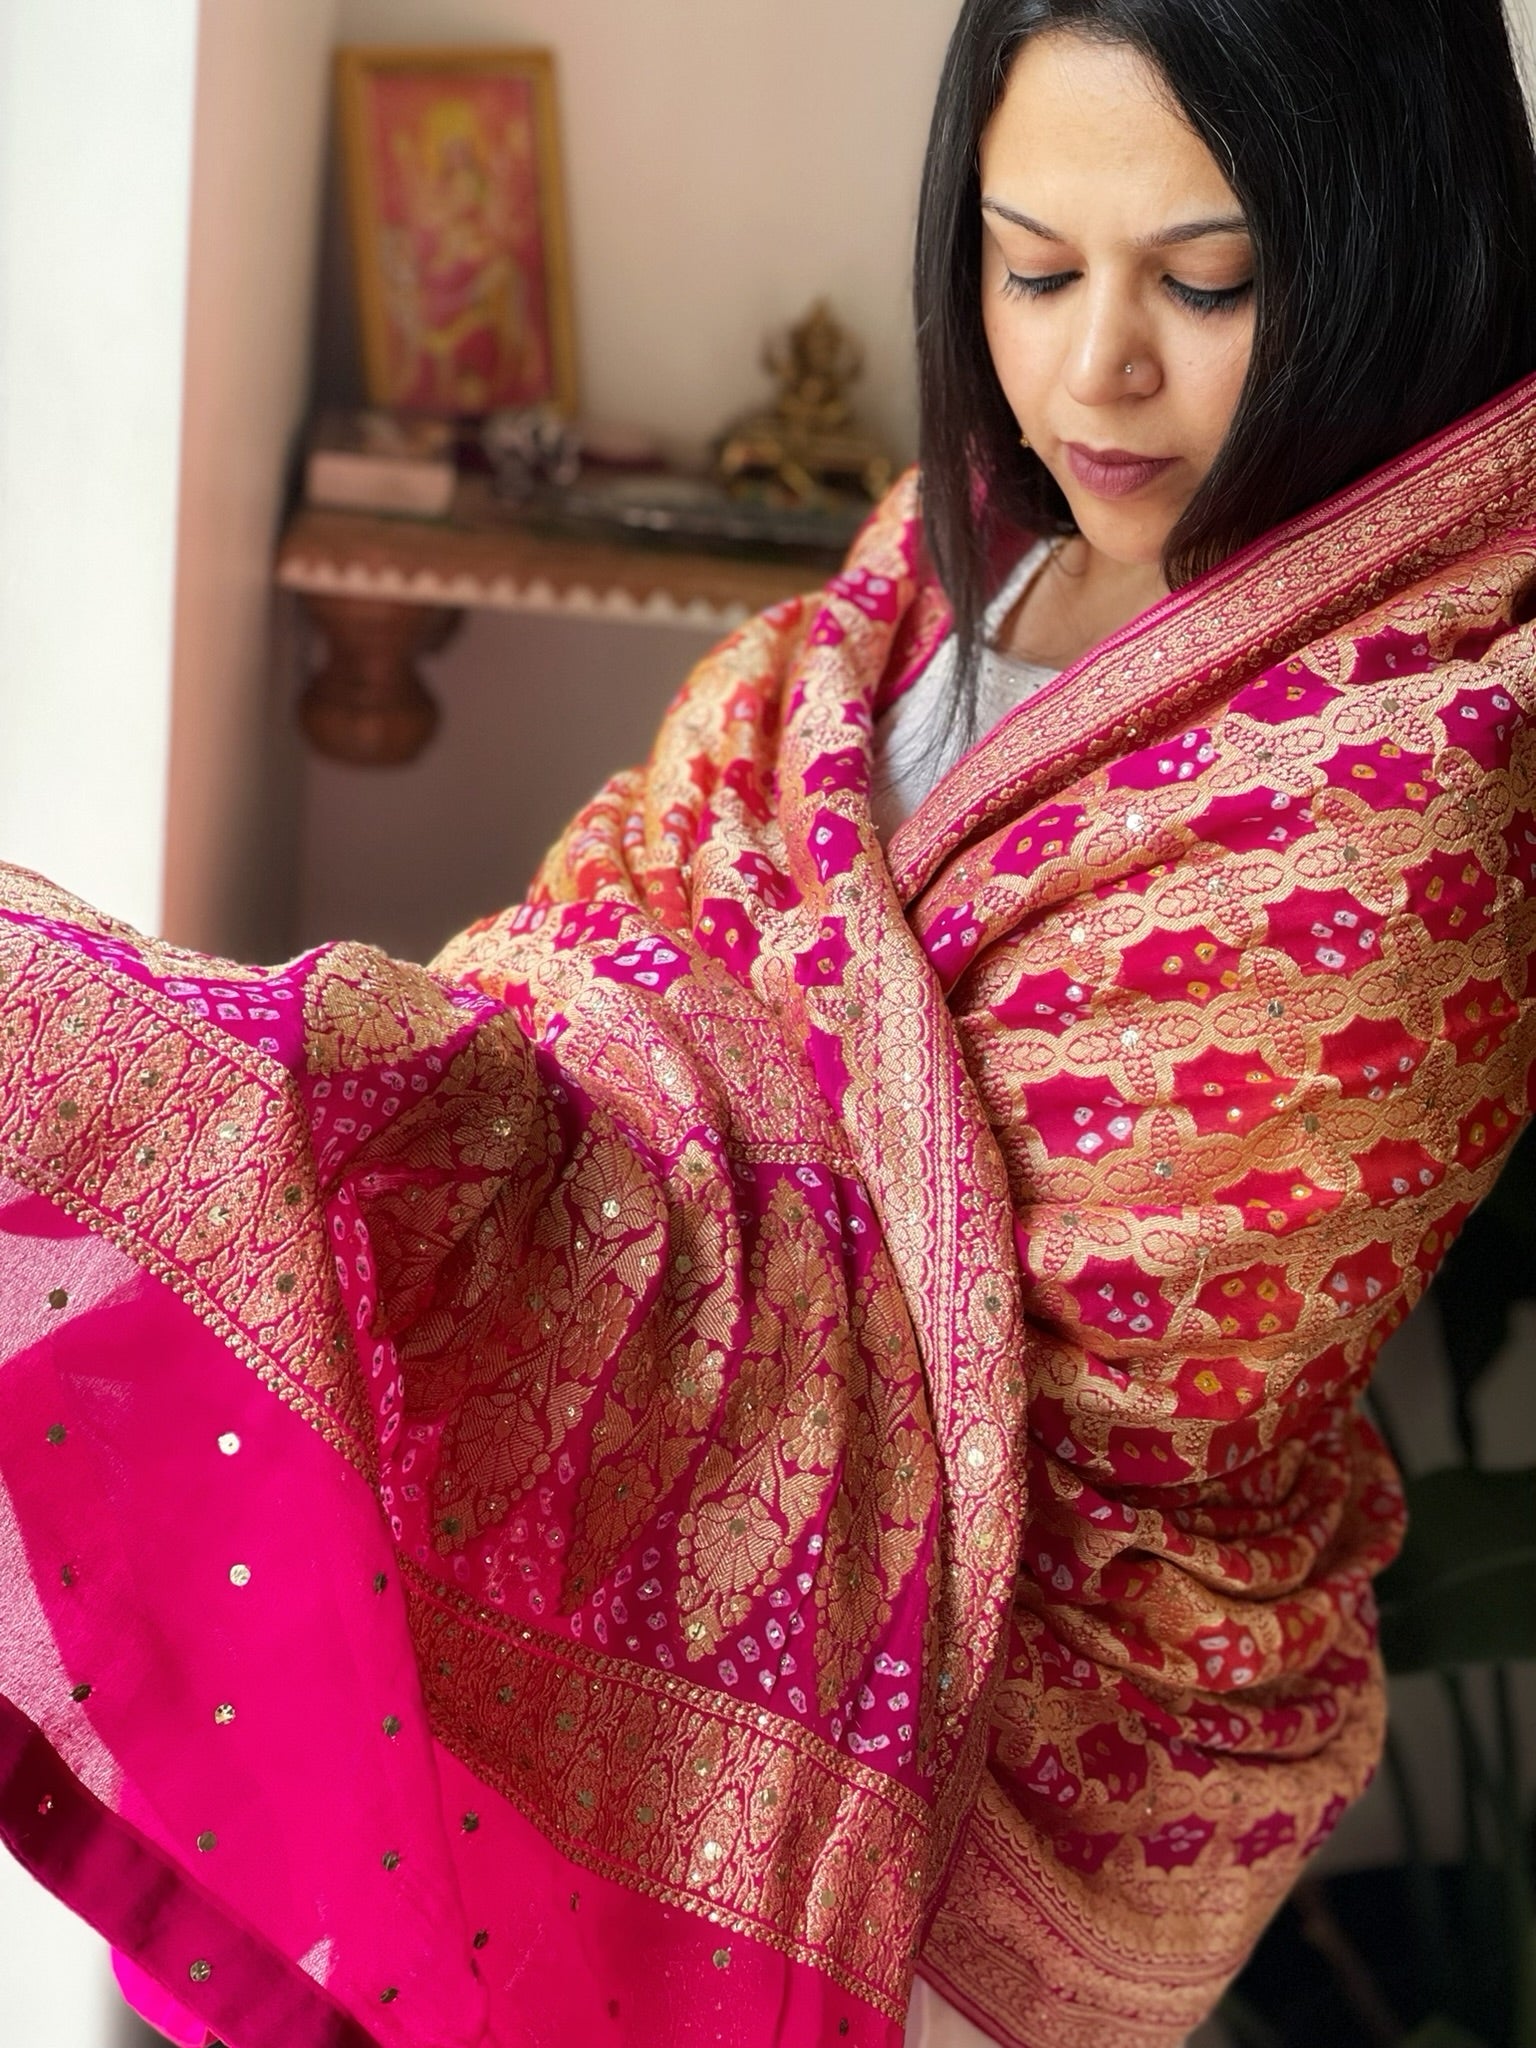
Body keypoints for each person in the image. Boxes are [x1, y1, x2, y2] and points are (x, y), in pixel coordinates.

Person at [1, 2, 1534, 2045]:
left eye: (1208, 277)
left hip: (1001, 1770)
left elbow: (1119, 1361)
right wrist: (515, 1091)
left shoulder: (1428, 763)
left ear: (1392, 244)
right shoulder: (952, 539)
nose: (1098, 369)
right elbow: (650, 889)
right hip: (658, 1447)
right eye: (1031, 263)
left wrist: (619, 1156)